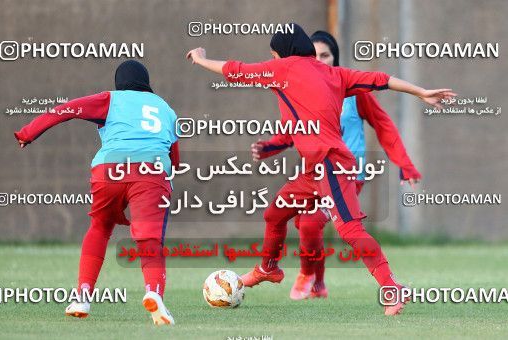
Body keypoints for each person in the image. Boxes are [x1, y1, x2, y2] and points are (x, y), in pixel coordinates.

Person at [186, 23, 455, 315]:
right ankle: (268, 269)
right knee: (274, 214)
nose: (273, 60)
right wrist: (420, 92)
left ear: (283, 54)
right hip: (314, 168)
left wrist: (200, 59)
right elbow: (380, 79)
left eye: (274, 55)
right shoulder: (335, 74)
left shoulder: (285, 68)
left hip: (331, 164)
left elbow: (235, 70)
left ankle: (391, 288)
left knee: (350, 229)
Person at [251, 30, 421, 300]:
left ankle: (314, 278)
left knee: (310, 224)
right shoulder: (301, 90)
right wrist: (269, 147)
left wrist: (404, 163)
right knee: (285, 216)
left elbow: (384, 125)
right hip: (316, 171)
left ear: (335, 57)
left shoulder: (352, 90)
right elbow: (291, 132)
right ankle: (311, 279)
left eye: (325, 55)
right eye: (314, 55)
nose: (319, 60)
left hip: (347, 175)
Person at [14, 60, 179, 326]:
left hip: (109, 169)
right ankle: (154, 294)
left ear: (119, 83)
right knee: (149, 240)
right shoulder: (166, 109)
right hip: (152, 172)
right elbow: (176, 159)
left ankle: (82, 296)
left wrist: (28, 133)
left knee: (100, 227)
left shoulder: (109, 99)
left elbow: (65, 110)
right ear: (146, 83)